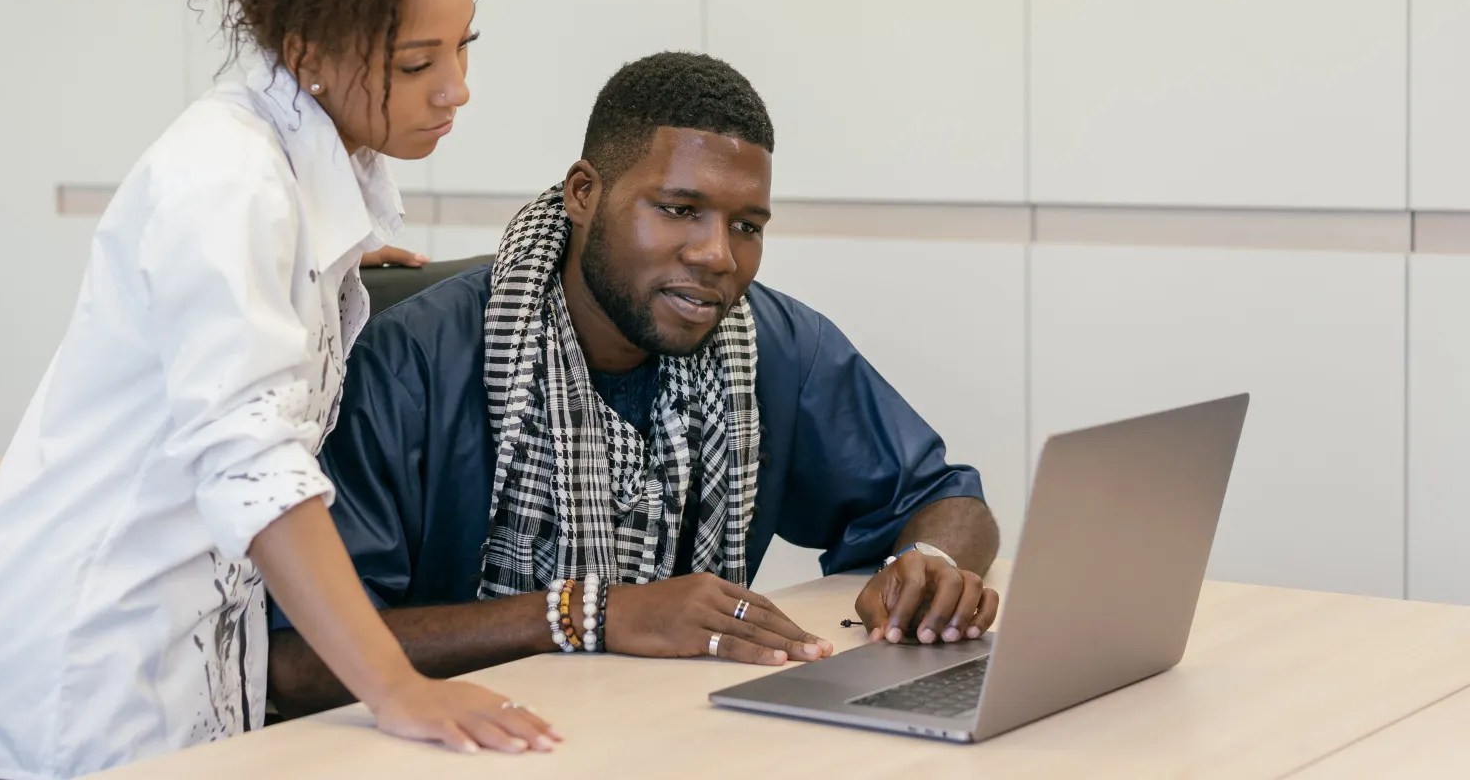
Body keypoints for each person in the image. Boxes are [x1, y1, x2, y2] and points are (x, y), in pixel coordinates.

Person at [0, 0, 560, 777]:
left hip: (180, 675)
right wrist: (395, 686)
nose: (456, 88)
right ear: (306, 52)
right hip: (83, 689)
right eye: (416, 63)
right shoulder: (229, 182)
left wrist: (332, 273)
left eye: (463, 46)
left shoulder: (296, 173)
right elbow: (254, 472)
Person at [265, 51, 1003, 718]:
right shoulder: (410, 360)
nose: (717, 255)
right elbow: (296, 662)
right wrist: (589, 613)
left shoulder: (769, 344)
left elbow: (943, 498)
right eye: (679, 210)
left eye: (746, 225)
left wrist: (932, 568)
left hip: (665, 736)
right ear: (585, 193)